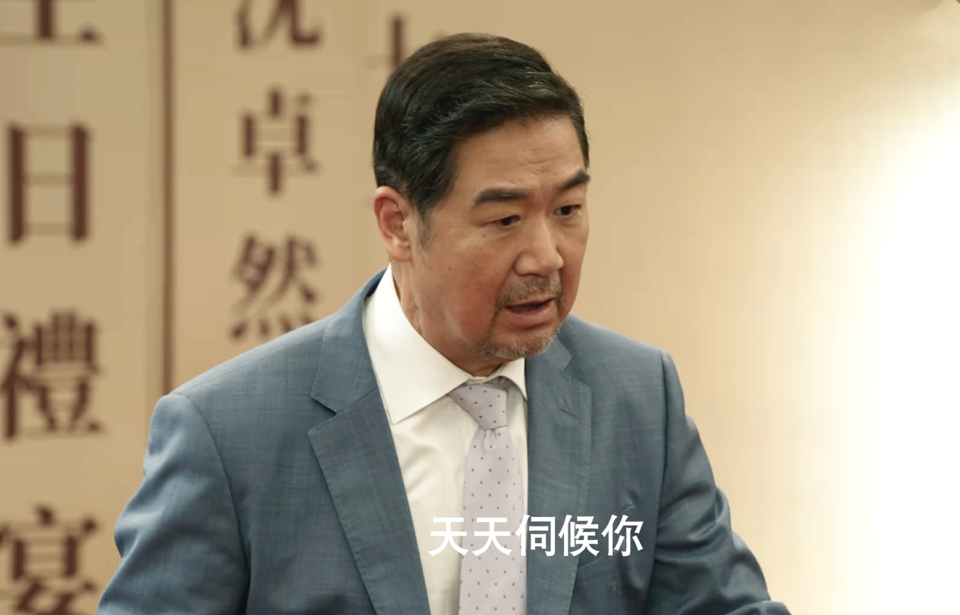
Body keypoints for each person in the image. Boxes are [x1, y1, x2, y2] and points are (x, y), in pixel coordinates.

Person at [98, 33, 790, 615]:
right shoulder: (228, 434)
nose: (547, 256)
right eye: (504, 219)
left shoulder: (637, 396)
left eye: (568, 211)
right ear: (398, 224)